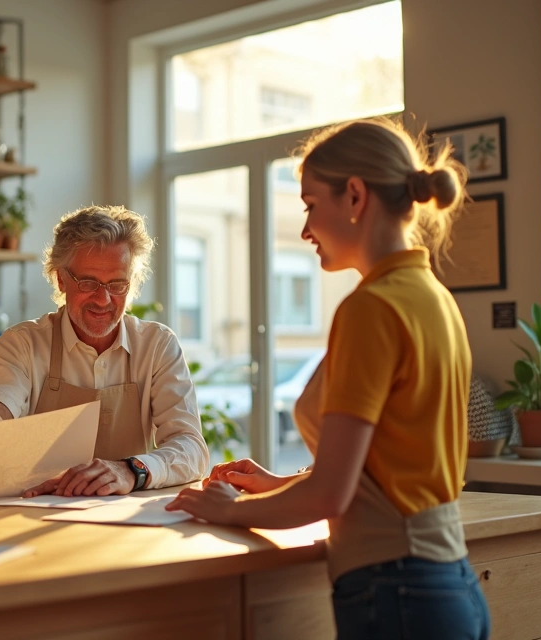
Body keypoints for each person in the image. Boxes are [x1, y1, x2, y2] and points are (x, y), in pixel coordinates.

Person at [166, 118, 492, 640]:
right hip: (447, 581)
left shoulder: (371, 308)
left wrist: (230, 510)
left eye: (311, 205)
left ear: (356, 196)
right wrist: (277, 486)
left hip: (396, 589)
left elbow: (330, 497)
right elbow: (382, 473)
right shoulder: (433, 296)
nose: (305, 229)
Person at [0, 205, 210, 497]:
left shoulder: (157, 345)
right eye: (88, 283)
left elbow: (191, 448)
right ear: (61, 279)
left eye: (117, 284)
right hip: (38, 511)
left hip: (128, 516)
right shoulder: (22, 345)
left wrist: (131, 470)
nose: (103, 299)